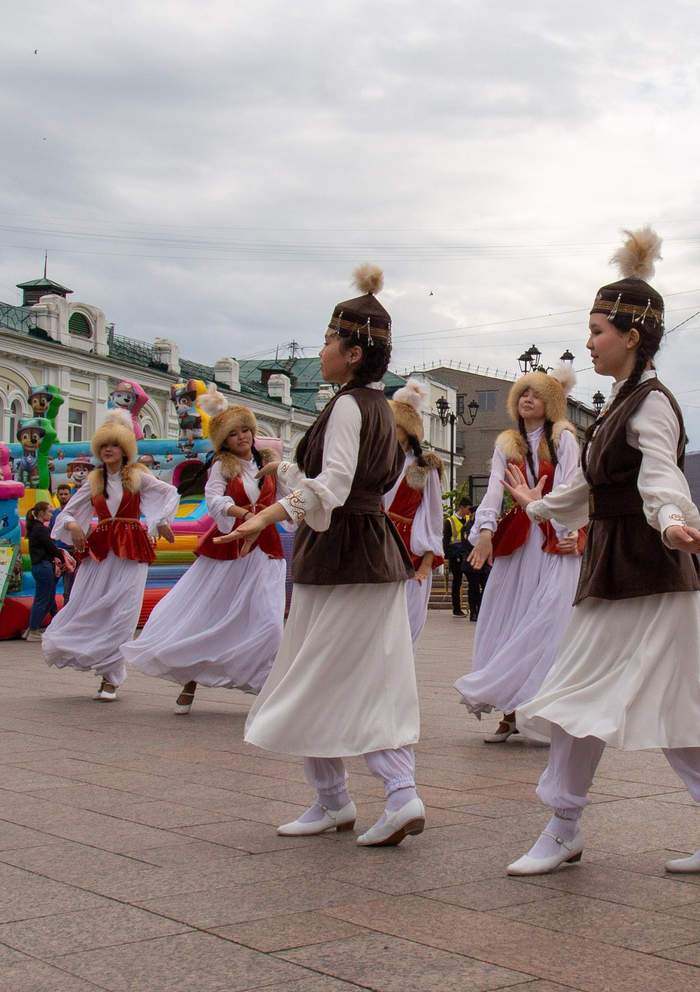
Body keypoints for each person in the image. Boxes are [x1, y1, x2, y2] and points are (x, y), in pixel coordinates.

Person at [502, 229, 700, 877]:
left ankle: (563, 828)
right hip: (628, 570)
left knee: (576, 696)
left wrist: (672, 521)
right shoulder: (620, 402)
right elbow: (589, 484)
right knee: (662, 700)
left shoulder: (651, 405)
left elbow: (660, 478)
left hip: (643, 570)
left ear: (632, 336)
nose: (587, 342)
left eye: (596, 330)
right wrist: (537, 505)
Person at [215, 265, 425, 847]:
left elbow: (330, 485)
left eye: (330, 340)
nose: (322, 349)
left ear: (354, 352)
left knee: (328, 675)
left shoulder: (350, 406)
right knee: (339, 674)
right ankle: (335, 799)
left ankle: (398, 793)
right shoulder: (376, 407)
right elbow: (342, 478)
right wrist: (284, 470)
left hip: (341, 557)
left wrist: (265, 513)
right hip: (366, 552)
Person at [122, 405, 288, 712]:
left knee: (270, 622)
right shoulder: (222, 466)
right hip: (227, 549)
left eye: (246, 430)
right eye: (233, 434)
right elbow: (213, 499)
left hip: (265, 548)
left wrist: (284, 475)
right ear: (224, 442)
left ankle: (265, 684)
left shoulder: (270, 462)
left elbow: (291, 495)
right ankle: (190, 678)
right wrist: (240, 513)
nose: (242, 437)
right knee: (207, 615)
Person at [457, 364, 583, 742]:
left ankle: (547, 714)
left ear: (552, 403)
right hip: (518, 539)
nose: (528, 399)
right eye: (524, 393)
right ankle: (510, 714)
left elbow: (572, 486)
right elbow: (494, 489)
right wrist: (484, 533)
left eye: (538, 394)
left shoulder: (563, 438)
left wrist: (570, 531)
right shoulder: (507, 443)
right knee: (506, 619)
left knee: (547, 623)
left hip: (551, 540)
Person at [41, 416, 179, 702]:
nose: (109, 450)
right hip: (101, 549)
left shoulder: (137, 475)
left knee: (124, 611)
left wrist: (160, 521)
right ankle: (82, 649)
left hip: (131, 548)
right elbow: (66, 513)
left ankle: (111, 678)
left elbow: (169, 493)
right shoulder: (94, 480)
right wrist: (74, 526)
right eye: (104, 445)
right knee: (89, 604)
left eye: (115, 445)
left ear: (125, 449)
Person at [385, 380, 447, 646]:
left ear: (408, 430)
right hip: (376, 540)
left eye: (396, 426)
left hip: (408, 545)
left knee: (406, 618)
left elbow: (434, 515)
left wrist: (426, 561)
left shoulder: (423, 466)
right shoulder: (376, 462)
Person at [22, 492, 63, 632]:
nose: (51, 515)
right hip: (43, 566)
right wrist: (62, 558)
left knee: (49, 598)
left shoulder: (34, 528)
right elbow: (50, 547)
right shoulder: (40, 529)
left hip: (40, 566)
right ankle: (33, 629)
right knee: (43, 599)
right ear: (41, 513)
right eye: (49, 512)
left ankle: (52, 625)